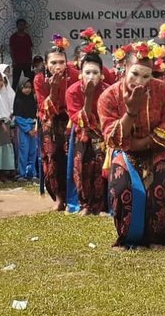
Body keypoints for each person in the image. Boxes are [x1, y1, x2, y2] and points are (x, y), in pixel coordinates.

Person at [97, 42, 165, 249]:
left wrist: (140, 143)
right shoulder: (109, 96)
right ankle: (129, 238)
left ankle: (158, 238)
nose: (140, 81)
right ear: (124, 68)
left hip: (156, 149)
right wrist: (131, 112)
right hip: (124, 152)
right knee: (121, 188)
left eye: (146, 76)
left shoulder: (162, 91)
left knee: (159, 189)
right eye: (134, 74)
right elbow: (112, 136)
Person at [65, 47, 108, 215]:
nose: (91, 76)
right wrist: (88, 98)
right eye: (87, 72)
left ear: (101, 74)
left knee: (101, 169)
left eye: (95, 72)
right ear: (80, 74)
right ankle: (85, 205)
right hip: (82, 134)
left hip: (103, 135)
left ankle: (102, 206)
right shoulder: (73, 91)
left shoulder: (107, 90)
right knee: (81, 168)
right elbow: (78, 119)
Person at [34, 36, 73, 210]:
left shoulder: (73, 73)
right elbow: (44, 106)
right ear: (46, 63)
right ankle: (59, 197)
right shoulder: (40, 79)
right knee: (52, 157)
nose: (58, 66)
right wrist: (54, 89)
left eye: (61, 62)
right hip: (50, 119)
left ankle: (75, 196)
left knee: (71, 156)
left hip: (69, 118)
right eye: (54, 62)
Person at [14, 77, 38, 182]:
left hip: (33, 128)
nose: (27, 90)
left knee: (33, 151)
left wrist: (34, 127)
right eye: (25, 87)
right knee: (23, 151)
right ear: (20, 88)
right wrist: (28, 129)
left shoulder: (32, 101)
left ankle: (31, 173)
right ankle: (21, 173)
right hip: (23, 129)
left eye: (29, 87)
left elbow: (36, 115)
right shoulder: (18, 101)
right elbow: (17, 117)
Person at [9, 18, 34, 89]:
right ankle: (13, 96)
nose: (22, 27)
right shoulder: (13, 37)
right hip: (17, 63)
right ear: (17, 26)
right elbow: (11, 50)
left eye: (23, 25)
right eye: (20, 25)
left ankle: (29, 95)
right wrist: (13, 61)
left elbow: (30, 49)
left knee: (28, 80)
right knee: (15, 81)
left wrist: (31, 59)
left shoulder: (27, 37)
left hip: (26, 62)